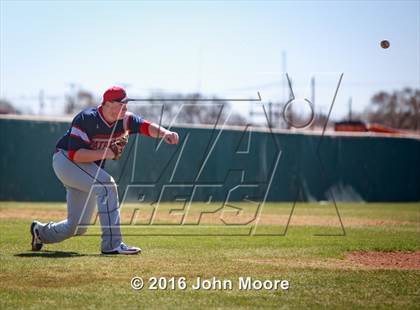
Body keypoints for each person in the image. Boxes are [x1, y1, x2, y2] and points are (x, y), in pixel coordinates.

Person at [30, 86, 179, 254]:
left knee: (78, 226)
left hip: (87, 168)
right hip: (66, 161)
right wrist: (107, 153)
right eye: (121, 103)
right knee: (107, 186)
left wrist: (166, 133)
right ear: (108, 103)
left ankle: (40, 232)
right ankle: (112, 244)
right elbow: (75, 155)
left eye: (126, 103)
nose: (126, 107)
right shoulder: (87, 119)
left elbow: (145, 126)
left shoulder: (125, 120)